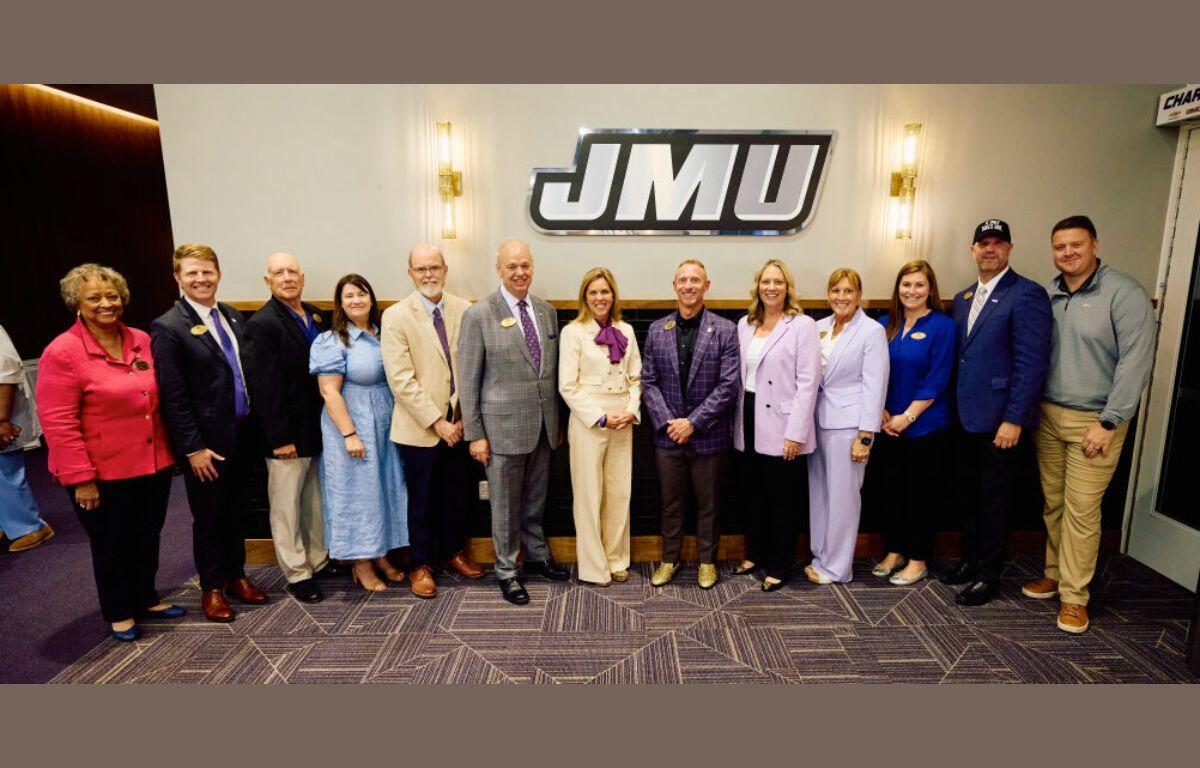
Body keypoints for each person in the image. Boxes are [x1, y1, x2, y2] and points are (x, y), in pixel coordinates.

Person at [1025, 215, 1156, 633]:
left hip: (1096, 421)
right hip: (1048, 414)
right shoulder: (1048, 294)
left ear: (1095, 245)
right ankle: (1055, 573)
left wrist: (1110, 420)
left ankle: (1074, 598)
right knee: (1054, 504)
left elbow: (1135, 364)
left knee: (1083, 510)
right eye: (1060, 247)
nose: (1068, 253)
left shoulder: (1124, 293)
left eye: (1076, 245)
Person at [37, 264, 182, 641]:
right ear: (76, 304)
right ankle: (119, 610)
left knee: (148, 535)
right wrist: (81, 479)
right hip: (100, 474)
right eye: (95, 298)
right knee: (112, 543)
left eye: (112, 295)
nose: (106, 303)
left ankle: (145, 597)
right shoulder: (63, 352)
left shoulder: (140, 339)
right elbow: (57, 422)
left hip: (152, 464)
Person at [152, 244, 269, 623]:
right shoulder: (168, 327)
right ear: (177, 278)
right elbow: (173, 396)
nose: (201, 279)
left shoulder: (233, 317)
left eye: (207, 272)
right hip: (206, 445)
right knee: (209, 517)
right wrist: (193, 448)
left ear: (218, 273)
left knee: (238, 512)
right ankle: (212, 587)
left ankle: (236, 576)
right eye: (192, 273)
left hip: (242, 435)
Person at [942, 219, 1052, 606]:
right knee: (968, 496)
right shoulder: (964, 297)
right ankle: (971, 562)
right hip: (965, 418)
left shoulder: (1026, 295)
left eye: (997, 243)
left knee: (995, 500)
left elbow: (1031, 364)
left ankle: (989, 576)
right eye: (982, 243)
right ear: (972, 250)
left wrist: (1014, 419)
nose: (989, 249)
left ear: (1009, 248)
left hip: (1001, 422)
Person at [459, 238, 568, 606]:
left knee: (536, 500)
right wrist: (475, 434)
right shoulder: (479, 315)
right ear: (499, 270)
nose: (520, 272)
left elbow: (548, 375)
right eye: (512, 266)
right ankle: (507, 570)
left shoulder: (546, 311)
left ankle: (536, 556)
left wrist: (557, 422)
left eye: (525, 265)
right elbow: (468, 379)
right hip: (500, 430)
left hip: (543, 426)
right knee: (504, 505)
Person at [381, 243, 484, 599]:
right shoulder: (395, 316)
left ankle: (453, 553)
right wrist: (438, 422)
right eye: (421, 269)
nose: (429, 275)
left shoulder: (465, 309)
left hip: (460, 426)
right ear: (410, 272)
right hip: (419, 429)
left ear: (445, 269)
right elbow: (401, 380)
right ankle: (421, 565)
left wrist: (463, 418)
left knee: (457, 495)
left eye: (434, 268)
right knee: (421, 500)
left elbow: (472, 367)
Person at [241, 252, 335, 604]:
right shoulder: (263, 324)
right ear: (267, 281)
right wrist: (280, 438)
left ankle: (317, 560)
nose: (287, 277)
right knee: (286, 508)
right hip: (285, 435)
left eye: (292, 271)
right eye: (278, 273)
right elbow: (264, 387)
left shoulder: (313, 315)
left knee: (313, 502)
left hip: (315, 429)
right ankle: (297, 573)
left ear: (303, 277)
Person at [641, 259, 740, 590]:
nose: (688, 286)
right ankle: (670, 559)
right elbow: (648, 381)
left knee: (709, 504)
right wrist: (670, 422)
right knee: (670, 503)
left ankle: (707, 562)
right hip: (668, 437)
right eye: (683, 280)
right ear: (674, 285)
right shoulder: (657, 330)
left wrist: (693, 423)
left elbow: (728, 386)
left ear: (706, 285)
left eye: (695, 280)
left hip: (708, 436)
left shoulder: (725, 330)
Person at [310, 274, 409, 592]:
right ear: (339, 302)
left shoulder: (382, 334)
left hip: (385, 423)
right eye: (348, 295)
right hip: (352, 423)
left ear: (371, 298)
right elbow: (329, 392)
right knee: (358, 494)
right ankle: (361, 564)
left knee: (384, 488)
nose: (356, 300)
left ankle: (379, 553)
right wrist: (349, 434)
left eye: (362, 294)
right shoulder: (332, 340)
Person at [731, 259, 821, 591]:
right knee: (753, 493)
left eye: (778, 282)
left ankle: (780, 564)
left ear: (788, 288)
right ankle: (756, 553)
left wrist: (795, 433)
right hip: (747, 417)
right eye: (766, 281)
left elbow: (808, 383)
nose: (771, 287)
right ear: (758, 286)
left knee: (783, 498)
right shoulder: (745, 324)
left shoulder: (801, 326)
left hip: (784, 423)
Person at [872, 260, 955, 586]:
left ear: (930, 289)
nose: (912, 291)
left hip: (924, 426)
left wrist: (908, 417)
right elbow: (873, 373)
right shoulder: (884, 325)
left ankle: (918, 559)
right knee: (891, 492)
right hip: (887, 425)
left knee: (920, 496)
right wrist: (880, 411)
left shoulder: (943, 326)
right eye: (906, 285)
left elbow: (937, 378)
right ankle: (894, 551)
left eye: (919, 285)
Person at [558, 267, 642, 587]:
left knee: (619, 493)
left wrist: (630, 411)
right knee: (589, 495)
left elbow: (637, 378)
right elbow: (568, 385)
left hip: (623, 420)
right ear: (584, 297)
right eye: (593, 292)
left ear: (613, 295)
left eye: (605, 291)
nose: (599, 297)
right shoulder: (573, 332)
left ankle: (616, 559)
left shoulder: (627, 330)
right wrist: (600, 416)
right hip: (589, 421)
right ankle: (594, 567)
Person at [806, 268, 888, 584]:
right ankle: (822, 556)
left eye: (848, 291)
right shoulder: (818, 327)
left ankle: (838, 568)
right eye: (836, 291)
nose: (842, 297)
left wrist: (865, 436)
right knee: (821, 494)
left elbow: (875, 385)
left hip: (849, 427)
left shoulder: (871, 331)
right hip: (817, 422)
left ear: (859, 295)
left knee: (844, 498)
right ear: (829, 295)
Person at [1, 324, 53, 553]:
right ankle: (6, 524)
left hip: (4, 414)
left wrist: (1, 419)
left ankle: (30, 527)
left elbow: (7, 373)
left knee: (5, 470)